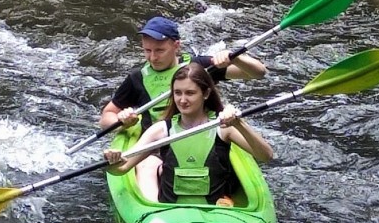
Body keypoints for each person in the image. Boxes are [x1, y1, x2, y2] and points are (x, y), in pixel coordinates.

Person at [103, 62, 273, 205]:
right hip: (172, 213)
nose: (182, 100)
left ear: (205, 93)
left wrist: (239, 123)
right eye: (178, 93)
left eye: (190, 93)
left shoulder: (223, 127)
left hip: (215, 212)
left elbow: (266, 156)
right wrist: (113, 160)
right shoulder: (161, 130)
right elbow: (122, 169)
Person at [99, 16, 266, 133]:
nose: (153, 57)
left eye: (160, 50)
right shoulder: (137, 78)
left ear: (176, 46)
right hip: (159, 140)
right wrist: (122, 122)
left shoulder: (198, 67)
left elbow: (258, 73)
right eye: (147, 51)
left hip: (202, 132)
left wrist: (235, 59)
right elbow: (106, 116)